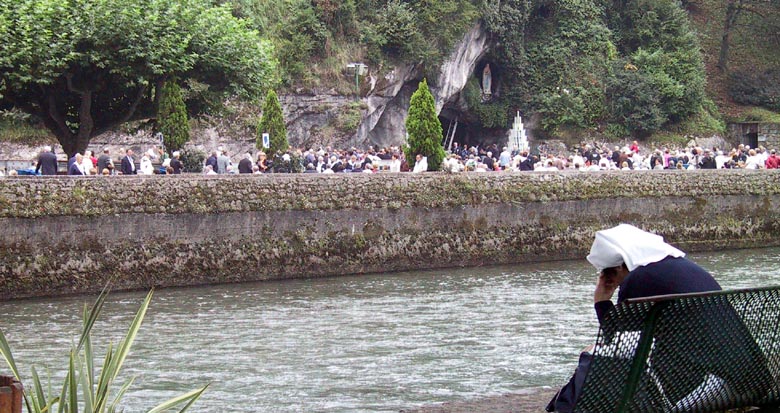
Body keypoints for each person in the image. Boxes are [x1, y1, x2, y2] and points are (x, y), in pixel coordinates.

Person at [547, 224, 770, 412]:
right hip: (749, 379)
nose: (611, 280)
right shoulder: (682, 267)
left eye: (609, 273)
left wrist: (602, 301)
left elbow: (618, 344)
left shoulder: (639, 278)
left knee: (595, 356)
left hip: (709, 387)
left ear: (621, 265)